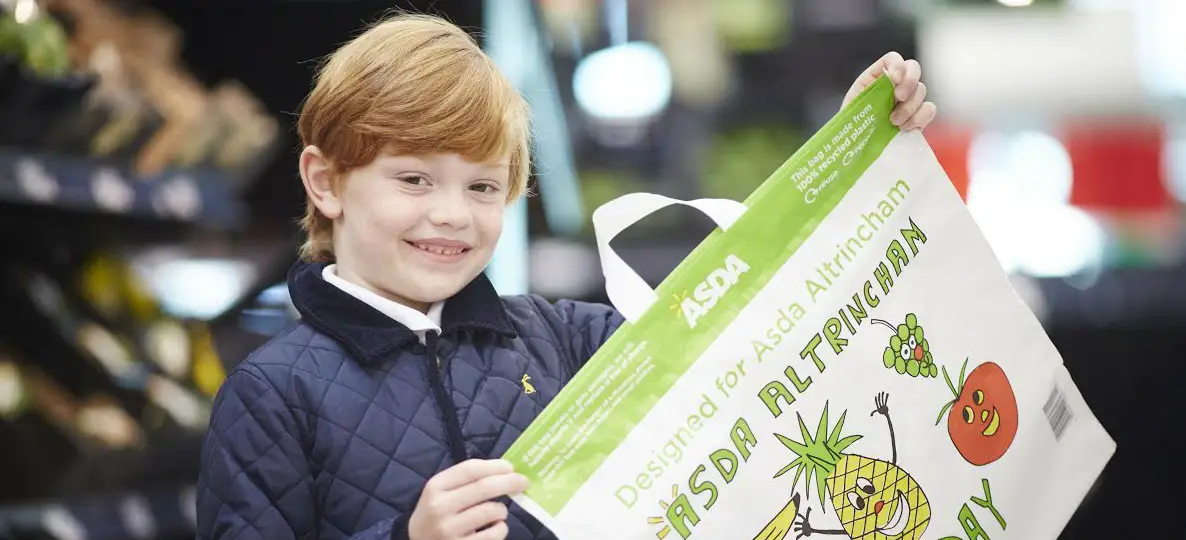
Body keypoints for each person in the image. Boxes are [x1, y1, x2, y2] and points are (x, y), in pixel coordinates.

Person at [194, 12, 937, 540]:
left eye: (482, 187)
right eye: (415, 180)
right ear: (326, 183)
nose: (453, 214)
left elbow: (744, 338)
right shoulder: (272, 395)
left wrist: (852, 159)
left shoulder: (563, 339)